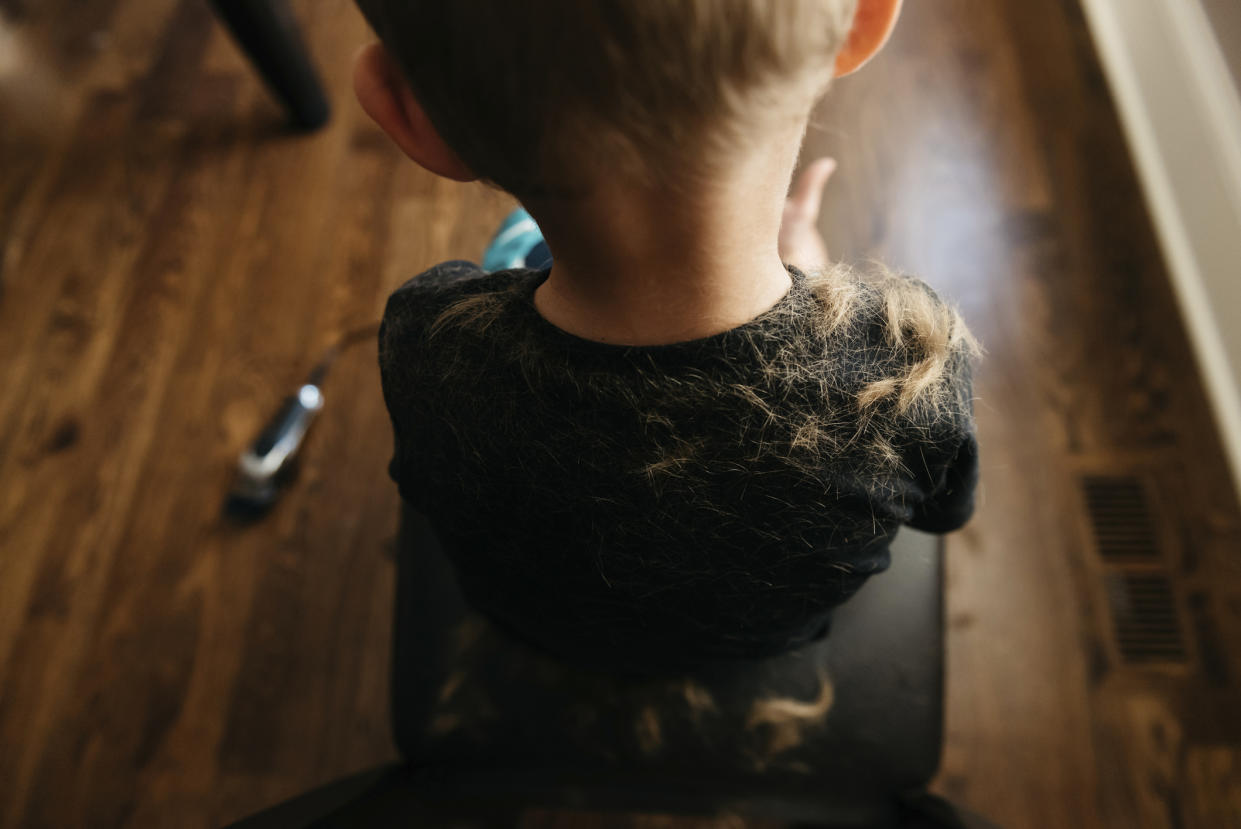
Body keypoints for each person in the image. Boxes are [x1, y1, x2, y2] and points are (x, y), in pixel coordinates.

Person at [353, 0, 979, 673]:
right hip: (759, 644)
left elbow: (423, 488)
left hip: (536, 627)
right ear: (861, 22)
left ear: (408, 116)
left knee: (514, 246)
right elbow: (942, 514)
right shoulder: (907, 372)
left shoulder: (429, 341)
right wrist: (814, 281)